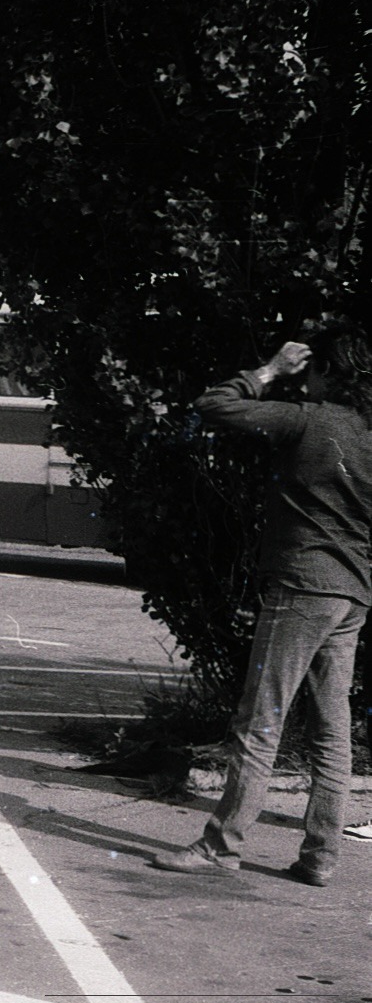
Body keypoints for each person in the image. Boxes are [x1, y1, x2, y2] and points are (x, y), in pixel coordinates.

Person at [154, 324, 372, 886]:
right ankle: (321, 856)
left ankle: (221, 846)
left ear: (324, 370)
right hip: (353, 593)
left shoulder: (307, 421)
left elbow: (214, 405)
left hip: (303, 588)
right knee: (331, 730)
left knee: (260, 722)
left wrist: (271, 371)